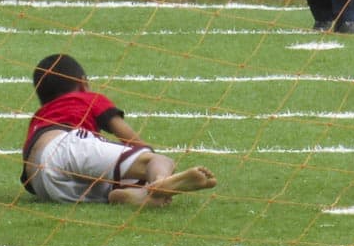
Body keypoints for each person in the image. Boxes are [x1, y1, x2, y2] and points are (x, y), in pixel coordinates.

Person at [24, 53, 217, 206]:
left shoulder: (39, 117)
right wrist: (149, 160)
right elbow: (132, 140)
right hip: (66, 146)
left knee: (122, 179)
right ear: (83, 83)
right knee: (156, 161)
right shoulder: (87, 98)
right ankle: (162, 182)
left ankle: (139, 197)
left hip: (42, 184)